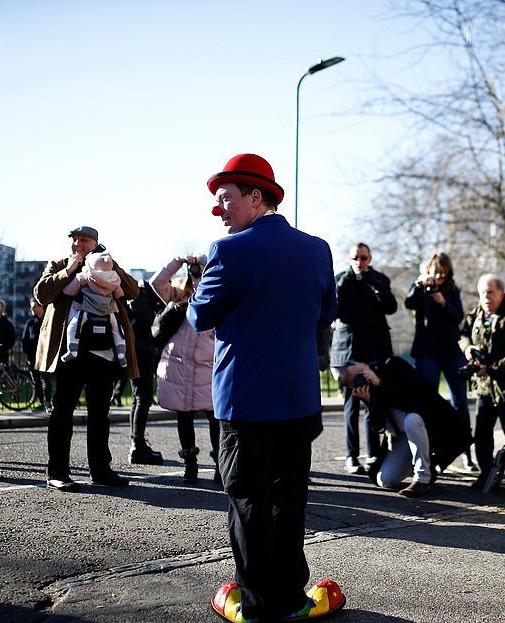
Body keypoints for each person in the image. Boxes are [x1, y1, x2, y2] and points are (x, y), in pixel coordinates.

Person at [191, 153, 344, 623]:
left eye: (227, 200)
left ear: (256, 197)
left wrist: (200, 283)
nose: (221, 211)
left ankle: (257, 604)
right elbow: (325, 315)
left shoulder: (227, 251)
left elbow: (200, 316)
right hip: (299, 400)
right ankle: (291, 596)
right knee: (289, 497)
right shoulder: (318, 249)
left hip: (245, 402)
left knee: (249, 501)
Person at [34, 225, 139, 492]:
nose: (78, 244)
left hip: (103, 352)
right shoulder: (58, 264)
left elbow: (133, 291)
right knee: (63, 411)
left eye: (84, 240)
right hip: (70, 353)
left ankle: (101, 470)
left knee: (100, 414)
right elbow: (42, 294)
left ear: (96, 243)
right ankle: (57, 472)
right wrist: (69, 270)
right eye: (75, 240)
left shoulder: (108, 265)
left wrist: (112, 265)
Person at [337, 357, 471, 497]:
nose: (361, 378)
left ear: (364, 364)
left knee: (411, 420)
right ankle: (425, 462)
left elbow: (416, 395)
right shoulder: (369, 390)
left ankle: (422, 479)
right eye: (356, 380)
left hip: (429, 427)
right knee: (385, 480)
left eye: (360, 373)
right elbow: (378, 428)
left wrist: (381, 383)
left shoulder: (394, 366)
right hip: (402, 436)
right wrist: (370, 403)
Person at [459, 274, 505, 495]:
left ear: (501, 292)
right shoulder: (477, 313)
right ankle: (486, 473)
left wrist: (492, 368)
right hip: (484, 386)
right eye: (482, 293)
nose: (486, 297)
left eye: (490, 292)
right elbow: (462, 334)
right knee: (482, 432)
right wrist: (468, 348)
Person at [403, 252, 475, 471]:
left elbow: (457, 318)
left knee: (460, 401)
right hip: (427, 352)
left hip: (451, 351)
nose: (438, 278)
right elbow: (409, 303)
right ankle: (431, 450)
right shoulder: (421, 288)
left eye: (442, 275)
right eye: (434, 273)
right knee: (428, 401)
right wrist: (418, 284)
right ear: (428, 272)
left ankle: (466, 452)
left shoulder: (452, 290)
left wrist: (443, 302)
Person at [330, 242, 397, 475]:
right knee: (351, 405)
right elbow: (333, 310)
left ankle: (373, 454)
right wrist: (346, 281)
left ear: (370, 258)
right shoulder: (341, 279)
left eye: (364, 258)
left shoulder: (379, 279)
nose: (360, 262)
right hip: (348, 351)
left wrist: (375, 283)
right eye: (356, 258)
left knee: (373, 403)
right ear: (349, 259)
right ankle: (351, 456)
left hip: (374, 352)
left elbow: (391, 307)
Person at [151, 254, 217, 485]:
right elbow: (156, 283)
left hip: (206, 365)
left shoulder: (217, 295)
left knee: (215, 417)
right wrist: (176, 263)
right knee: (184, 416)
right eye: (195, 269)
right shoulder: (181, 295)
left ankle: (221, 465)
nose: (197, 272)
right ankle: (190, 466)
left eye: (201, 268)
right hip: (178, 365)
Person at [60, 251, 128, 367]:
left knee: (73, 327)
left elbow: (69, 290)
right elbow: (119, 294)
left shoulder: (86, 274)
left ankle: (72, 349)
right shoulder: (114, 278)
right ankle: (121, 353)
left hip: (88, 310)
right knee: (118, 331)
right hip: (109, 312)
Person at [126, 280, 164, 465]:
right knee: (142, 397)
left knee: (137, 397)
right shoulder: (141, 296)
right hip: (141, 352)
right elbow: (147, 320)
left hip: (138, 351)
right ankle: (137, 445)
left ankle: (137, 442)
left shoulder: (137, 295)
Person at [21, 298, 52, 413]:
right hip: (33, 357)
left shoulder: (48, 320)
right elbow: (25, 340)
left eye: (34, 306)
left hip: (46, 356)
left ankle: (48, 402)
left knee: (46, 379)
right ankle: (41, 402)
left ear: (41, 307)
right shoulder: (30, 322)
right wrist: (28, 355)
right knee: (36, 380)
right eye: (31, 307)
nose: (32, 309)